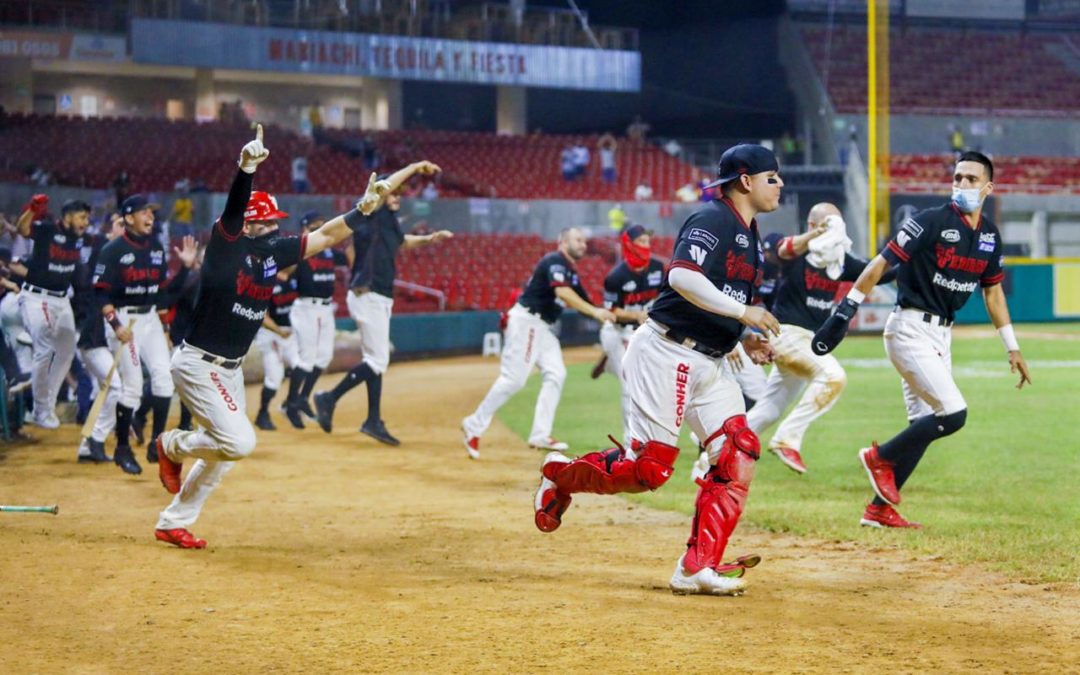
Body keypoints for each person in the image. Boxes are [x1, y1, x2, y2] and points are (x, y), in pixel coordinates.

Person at [533, 144, 783, 596]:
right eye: (773, 177)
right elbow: (682, 278)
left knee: (737, 451)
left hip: (711, 360)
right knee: (647, 471)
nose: (780, 184)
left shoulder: (751, 234)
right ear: (746, 180)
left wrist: (743, 335)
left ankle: (696, 567)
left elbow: (717, 296)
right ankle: (559, 476)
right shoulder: (713, 218)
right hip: (666, 352)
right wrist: (746, 315)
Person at [152, 124, 392, 549]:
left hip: (227, 369)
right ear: (247, 224)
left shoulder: (273, 252)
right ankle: (172, 444)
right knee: (239, 442)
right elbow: (233, 208)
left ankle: (173, 521)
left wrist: (362, 211)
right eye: (265, 222)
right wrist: (246, 168)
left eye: (273, 223)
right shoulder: (226, 246)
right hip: (198, 361)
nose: (272, 228)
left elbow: (328, 234)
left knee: (225, 457)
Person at [812, 151, 1031, 528]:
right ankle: (878, 458)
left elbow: (993, 293)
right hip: (909, 328)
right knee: (954, 414)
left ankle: (878, 511)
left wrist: (1012, 346)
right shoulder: (929, 221)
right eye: (958, 177)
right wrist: (847, 309)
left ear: (988, 188)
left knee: (925, 425)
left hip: (941, 334)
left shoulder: (990, 237)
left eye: (971, 179)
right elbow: (880, 263)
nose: (962, 185)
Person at [745, 205, 894, 474]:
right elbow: (783, 249)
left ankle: (715, 453)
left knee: (768, 410)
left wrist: (912, 257)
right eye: (827, 223)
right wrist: (816, 235)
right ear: (813, 224)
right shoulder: (799, 253)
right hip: (786, 333)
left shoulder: (839, 261)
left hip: (807, 341)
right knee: (833, 376)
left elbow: (878, 272)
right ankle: (786, 440)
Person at [311, 162, 452, 446]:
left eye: (399, 194)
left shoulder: (388, 220)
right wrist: (414, 167)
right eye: (393, 193)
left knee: (374, 361)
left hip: (378, 295)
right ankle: (329, 398)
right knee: (378, 360)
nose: (397, 197)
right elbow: (383, 189)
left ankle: (373, 420)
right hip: (368, 293)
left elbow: (402, 242)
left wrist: (430, 239)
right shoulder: (371, 212)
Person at [461, 228, 616, 460]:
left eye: (584, 241)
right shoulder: (554, 260)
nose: (583, 244)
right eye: (577, 240)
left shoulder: (570, 271)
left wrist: (608, 316)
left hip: (542, 327)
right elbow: (564, 293)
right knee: (513, 380)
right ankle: (474, 424)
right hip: (528, 322)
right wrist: (596, 312)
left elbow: (585, 302)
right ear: (562, 242)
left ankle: (540, 434)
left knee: (556, 373)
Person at [94, 195, 198, 474]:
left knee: (165, 380)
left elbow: (162, 294)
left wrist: (185, 268)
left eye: (152, 213)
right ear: (128, 217)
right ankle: (121, 448)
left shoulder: (155, 248)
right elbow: (101, 293)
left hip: (151, 318)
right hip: (125, 320)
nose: (151, 217)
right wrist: (115, 325)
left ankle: (157, 443)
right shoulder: (112, 250)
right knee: (133, 386)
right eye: (144, 213)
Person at [15, 195, 90, 428]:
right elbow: (22, 229)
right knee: (45, 350)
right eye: (82, 217)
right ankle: (40, 410)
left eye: (87, 218)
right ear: (67, 217)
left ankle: (45, 406)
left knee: (67, 353)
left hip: (61, 300)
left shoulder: (79, 239)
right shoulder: (48, 229)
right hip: (37, 298)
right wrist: (32, 209)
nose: (86, 222)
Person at [591, 224, 664, 444]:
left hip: (646, 333)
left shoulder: (658, 268)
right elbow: (611, 312)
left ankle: (610, 362)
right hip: (619, 331)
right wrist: (636, 316)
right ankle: (630, 441)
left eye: (648, 241)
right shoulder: (616, 276)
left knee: (654, 384)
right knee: (629, 388)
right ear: (629, 245)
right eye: (641, 241)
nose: (646, 246)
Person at [281, 211, 349, 429]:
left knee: (324, 358)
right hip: (306, 307)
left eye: (322, 226)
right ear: (304, 230)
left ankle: (302, 398)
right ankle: (291, 404)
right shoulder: (301, 251)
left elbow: (349, 258)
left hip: (326, 308)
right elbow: (282, 273)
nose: (319, 230)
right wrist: (297, 256)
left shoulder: (328, 251)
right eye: (313, 227)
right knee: (307, 359)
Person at [74, 211, 124, 464]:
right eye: (119, 225)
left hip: (102, 340)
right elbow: (96, 265)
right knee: (115, 387)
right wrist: (111, 238)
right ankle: (95, 439)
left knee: (104, 391)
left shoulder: (122, 262)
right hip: (93, 341)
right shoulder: (100, 254)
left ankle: (87, 445)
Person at [253, 270, 299, 431]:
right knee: (275, 377)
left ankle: (290, 404)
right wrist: (279, 331)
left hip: (289, 333)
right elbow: (262, 316)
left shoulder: (295, 277)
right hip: (271, 334)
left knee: (300, 367)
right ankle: (262, 413)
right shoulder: (268, 281)